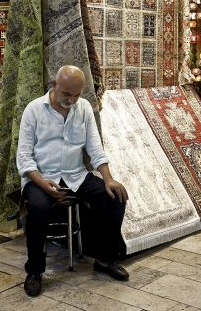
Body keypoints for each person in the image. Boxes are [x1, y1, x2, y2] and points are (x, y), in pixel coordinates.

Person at [17, 65, 129, 297]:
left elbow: (95, 148)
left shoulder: (84, 107)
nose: (72, 100)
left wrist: (108, 178)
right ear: (54, 85)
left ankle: (105, 260)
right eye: (67, 94)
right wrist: (41, 183)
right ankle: (35, 271)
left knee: (115, 197)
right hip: (41, 176)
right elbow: (24, 157)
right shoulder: (34, 110)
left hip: (74, 174)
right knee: (37, 207)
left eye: (77, 94)